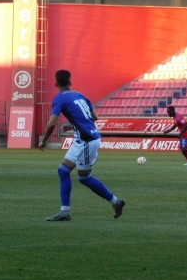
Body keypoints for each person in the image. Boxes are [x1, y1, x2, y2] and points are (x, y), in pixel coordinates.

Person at [39, 69, 125, 222]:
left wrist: (44, 140)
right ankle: (64, 211)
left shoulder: (59, 98)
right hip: (83, 138)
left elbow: (52, 122)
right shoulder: (80, 95)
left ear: (55, 83)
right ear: (70, 83)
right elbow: (94, 117)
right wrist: (73, 126)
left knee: (84, 178)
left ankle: (115, 201)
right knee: (63, 171)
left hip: (86, 140)